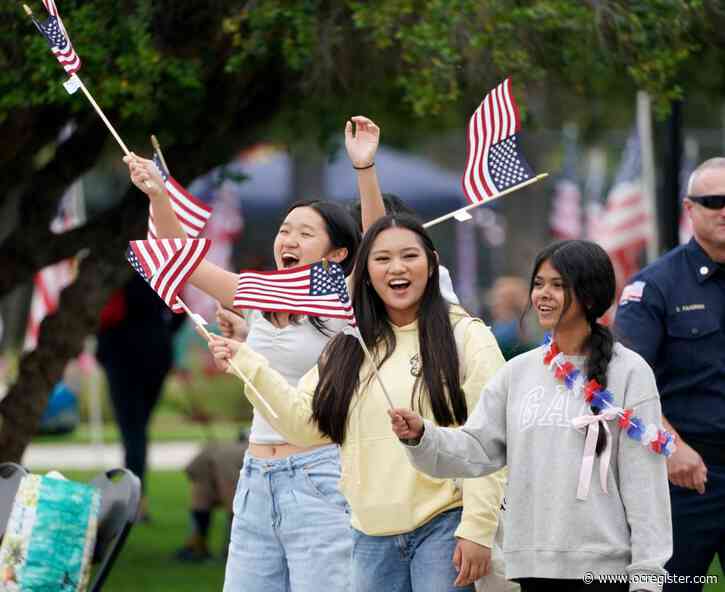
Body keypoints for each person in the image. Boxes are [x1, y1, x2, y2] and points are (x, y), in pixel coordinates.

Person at [209, 214, 508, 591]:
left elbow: (491, 438)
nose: (396, 268)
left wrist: (477, 529)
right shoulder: (349, 345)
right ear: (365, 272)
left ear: (431, 264)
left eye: (409, 256)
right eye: (381, 259)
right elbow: (305, 423)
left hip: (444, 526)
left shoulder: (466, 337)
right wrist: (247, 364)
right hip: (369, 535)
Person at [125, 145, 362, 590]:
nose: (288, 241)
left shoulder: (340, 303)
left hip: (319, 477)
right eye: (285, 229)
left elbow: (374, 251)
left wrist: (363, 168)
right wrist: (158, 196)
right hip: (255, 478)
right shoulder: (260, 300)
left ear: (336, 255)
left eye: (305, 234)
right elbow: (186, 264)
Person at [391, 239, 672, 592]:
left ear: (589, 294)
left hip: (604, 569)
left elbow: (644, 482)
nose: (543, 295)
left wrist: (647, 575)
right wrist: (422, 436)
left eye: (558, 285)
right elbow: (476, 449)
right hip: (531, 565)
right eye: (538, 284)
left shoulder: (630, 371)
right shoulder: (517, 372)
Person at [614, 158, 725, 591]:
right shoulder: (655, 287)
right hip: (686, 477)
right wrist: (672, 447)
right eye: (712, 201)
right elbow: (624, 382)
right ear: (689, 208)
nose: (723, 210)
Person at [97, 273, 184, 519]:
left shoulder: (115, 269)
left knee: (132, 431)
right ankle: (136, 497)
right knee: (138, 429)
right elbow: (181, 310)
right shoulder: (161, 269)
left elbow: (105, 314)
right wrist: (163, 332)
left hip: (122, 354)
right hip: (157, 352)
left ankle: (133, 501)